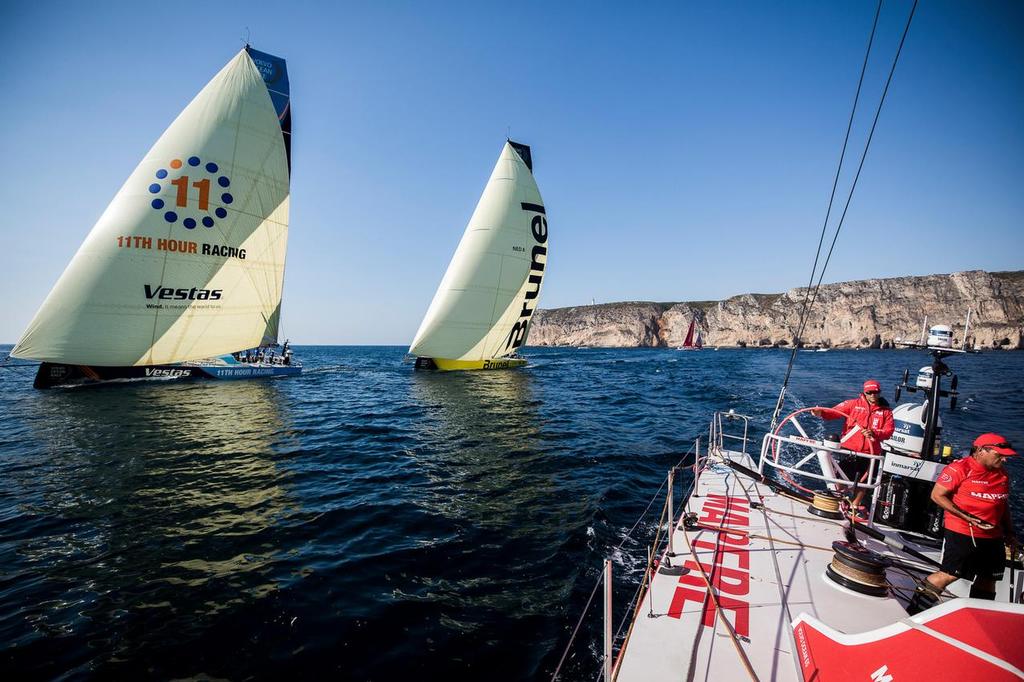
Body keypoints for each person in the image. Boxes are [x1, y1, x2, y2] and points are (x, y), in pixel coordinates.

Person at [908, 433, 1016, 614]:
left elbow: (1002, 504)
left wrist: (1010, 533)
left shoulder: (1002, 475)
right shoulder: (960, 469)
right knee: (949, 574)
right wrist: (966, 516)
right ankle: (913, 613)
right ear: (981, 451)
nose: (1004, 459)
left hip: (994, 536)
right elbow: (937, 495)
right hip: (963, 533)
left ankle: (978, 618)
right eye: (999, 455)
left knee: (988, 579)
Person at [811, 379, 894, 520]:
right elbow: (834, 412)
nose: (873, 395)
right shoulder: (853, 404)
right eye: (870, 392)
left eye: (876, 392)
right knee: (842, 480)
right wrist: (820, 412)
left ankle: (854, 507)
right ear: (864, 392)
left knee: (865, 483)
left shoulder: (886, 412)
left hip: (870, 453)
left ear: (879, 392)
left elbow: (889, 431)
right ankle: (838, 502)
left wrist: (875, 433)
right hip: (849, 451)